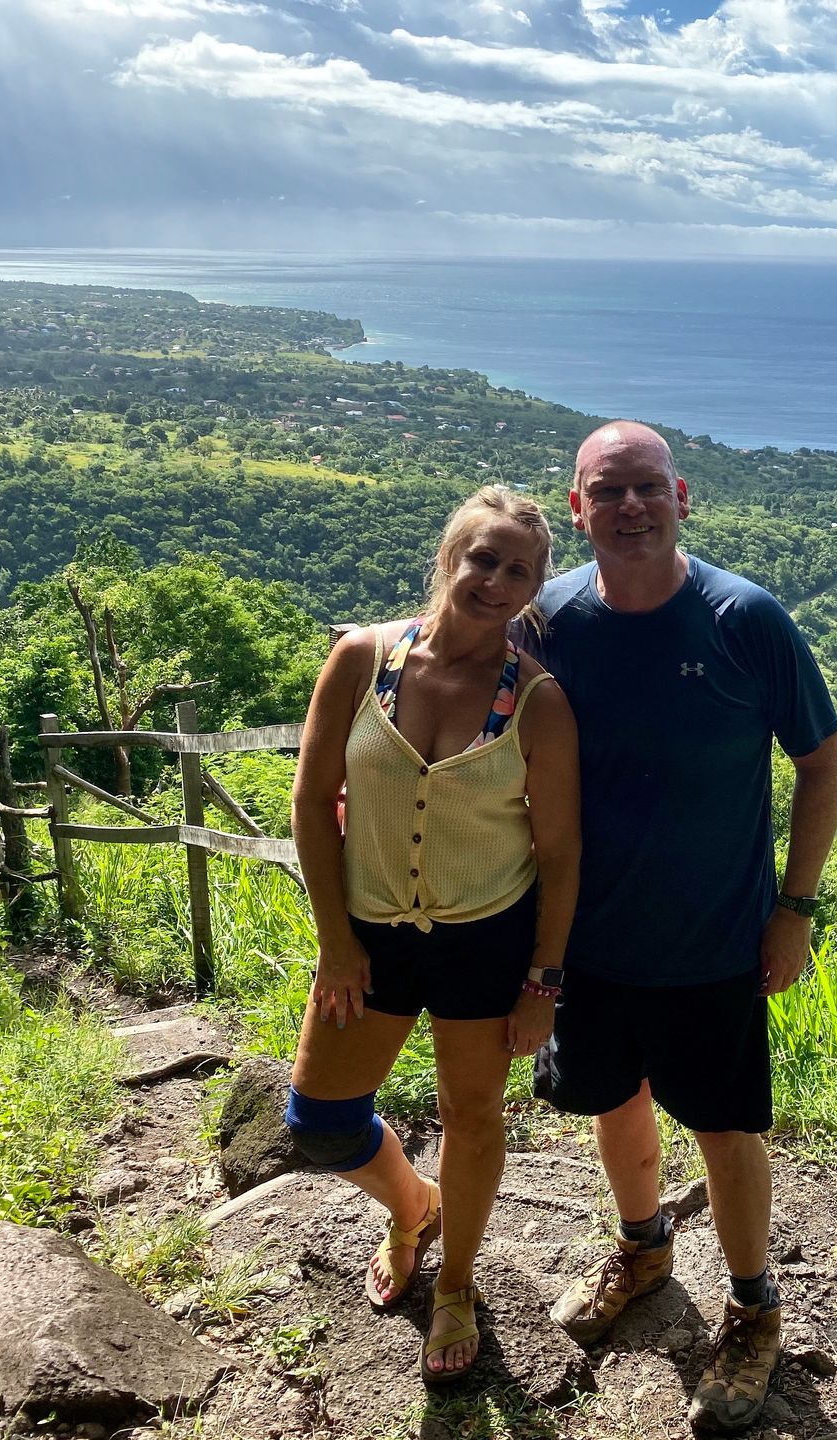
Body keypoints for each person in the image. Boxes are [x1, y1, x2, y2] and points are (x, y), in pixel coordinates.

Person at [527, 420, 837, 1434]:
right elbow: (449, 682)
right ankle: (644, 1248)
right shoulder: (550, 621)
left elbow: (822, 763)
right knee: (613, 1106)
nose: (628, 507)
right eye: (605, 492)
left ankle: (754, 1311)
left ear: (682, 497)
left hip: (715, 939)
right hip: (588, 940)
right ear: (576, 509)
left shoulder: (743, 619)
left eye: (646, 488)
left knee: (725, 1124)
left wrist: (793, 910)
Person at [284, 486, 581, 1385]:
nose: (492, 579)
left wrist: (542, 984)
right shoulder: (361, 660)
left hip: (485, 942)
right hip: (370, 937)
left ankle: (456, 1283)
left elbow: (562, 854)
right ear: (448, 556)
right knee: (322, 1123)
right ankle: (413, 1205)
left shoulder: (536, 702)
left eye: (516, 570)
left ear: (533, 589)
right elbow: (308, 800)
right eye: (480, 558)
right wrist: (335, 941)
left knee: (472, 1117)